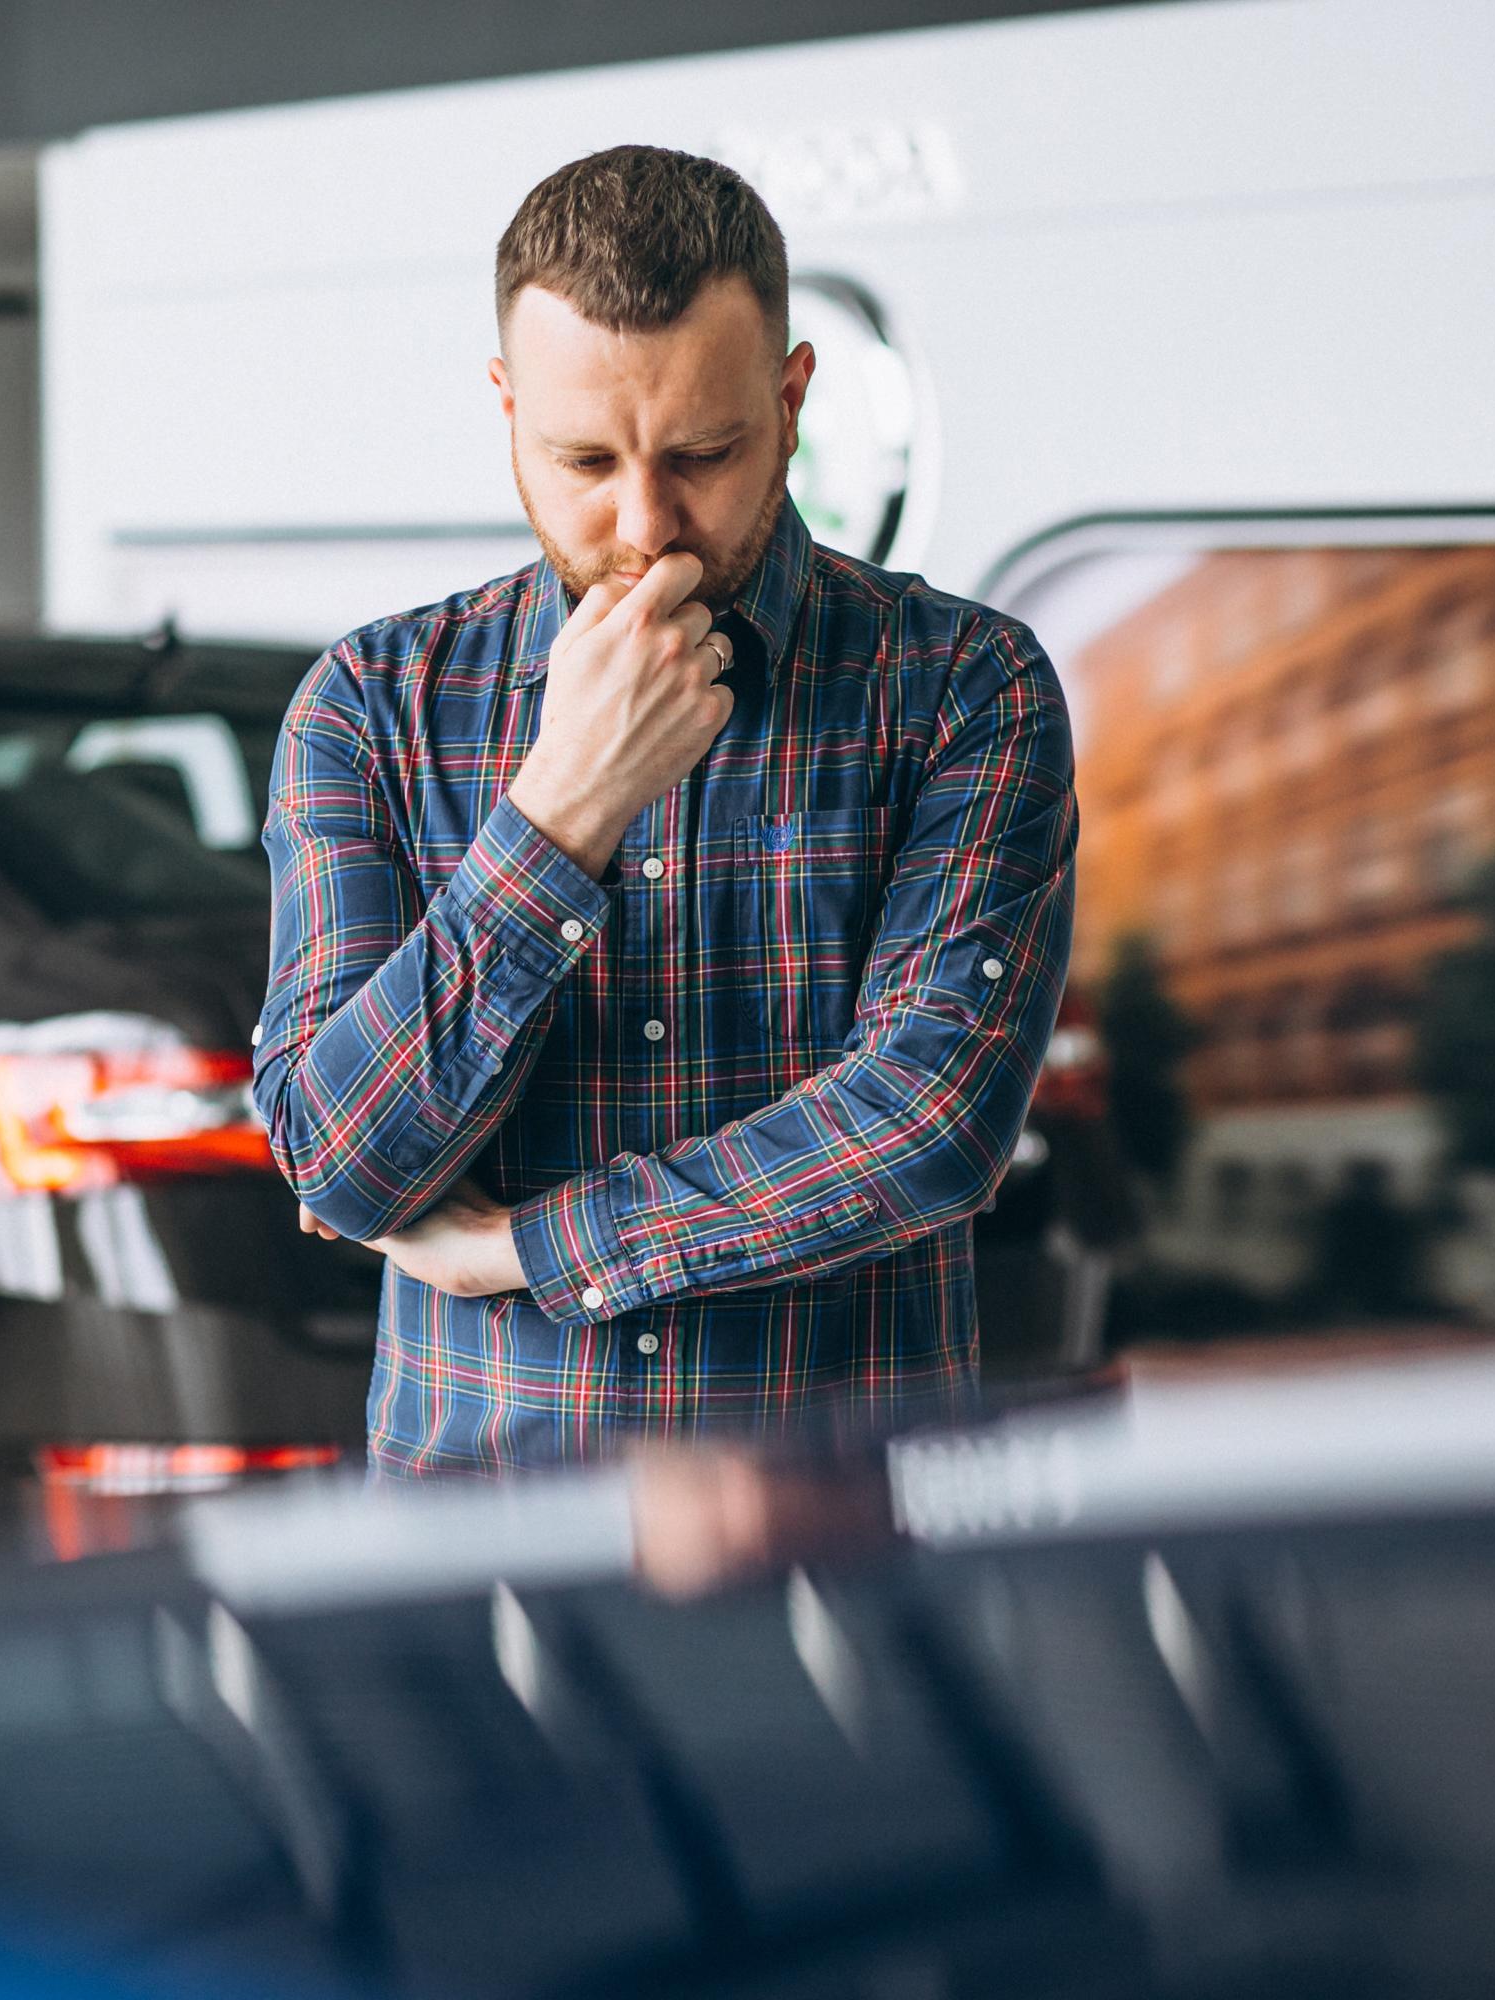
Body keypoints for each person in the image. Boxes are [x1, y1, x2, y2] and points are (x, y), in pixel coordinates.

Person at [257, 148, 1076, 1474]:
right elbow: (341, 1166)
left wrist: (526, 1248)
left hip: (839, 1558)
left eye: (703, 450)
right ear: (506, 406)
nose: (645, 523)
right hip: (479, 1579)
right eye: (583, 457)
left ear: (794, 398)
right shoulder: (372, 705)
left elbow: (929, 1123)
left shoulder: (962, 690)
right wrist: (562, 811)